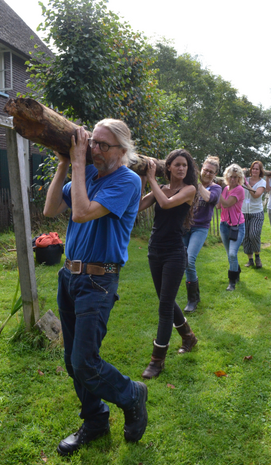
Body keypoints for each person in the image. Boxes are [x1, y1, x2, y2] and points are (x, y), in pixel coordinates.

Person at [43, 120, 148, 456]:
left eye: (104, 145)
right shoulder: (85, 174)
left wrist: (76, 162)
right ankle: (95, 421)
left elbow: (82, 213)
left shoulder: (127, 181)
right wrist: (63, 163)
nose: (95, 151)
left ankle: (132, 394)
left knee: (85, 361)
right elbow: (50, 209)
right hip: (69, 277)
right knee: (75, 363)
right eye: (94, 144)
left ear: (122, 151)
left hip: (98, 280)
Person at [139, 149, 198, 379]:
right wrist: (145, 180)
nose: (182, 168)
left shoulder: (189, 190)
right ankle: (188, 336)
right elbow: (136, 206)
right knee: (166, 300)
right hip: (155, 251)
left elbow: (165, 204)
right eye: (178, 164)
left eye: (185, 165)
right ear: (169, 167)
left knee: (164, 306)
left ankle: (157, 360)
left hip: (175, 253)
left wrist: (152, 179)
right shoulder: (160, 188)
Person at [182, 155, 222, 312]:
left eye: (211, 172)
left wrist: (196, 182)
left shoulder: (216, 188)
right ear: (201, 169)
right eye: (205, 170)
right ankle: (194, 296)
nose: (207, 173)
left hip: (200, 228)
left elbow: (208, 198)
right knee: (182, 260)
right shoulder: (188, 184)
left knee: (189, 260)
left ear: (215, 174)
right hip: (185, 226)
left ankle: (193, 300)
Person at [216, 164, 245, 291]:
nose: (233, 179)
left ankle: (231, 282)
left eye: (235, 177)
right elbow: (218, 206)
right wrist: (216, 192)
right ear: (226, 177)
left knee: (233, 254)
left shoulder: (239, 189)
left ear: (239, 178)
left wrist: (217, 190)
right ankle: (236, 271)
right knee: (230, 254)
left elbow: (226, 204)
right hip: (224, 225)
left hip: (237, 226)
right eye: (231, 177)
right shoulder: (225, 189)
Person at [242, 161, 266, 268]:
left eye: (257, 169)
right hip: (244, 212)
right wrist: (241, 174)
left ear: (260, 171)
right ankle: (250, 259)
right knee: (246, 237)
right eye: (253, 168)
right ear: (250, 170)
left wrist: (246, 184)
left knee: (254, 234)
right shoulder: (244, 180)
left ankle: (257, 256)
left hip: (256, 213)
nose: (255, 171)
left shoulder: (262, 182)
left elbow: (256, 195)